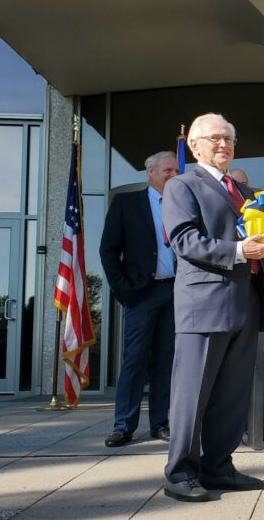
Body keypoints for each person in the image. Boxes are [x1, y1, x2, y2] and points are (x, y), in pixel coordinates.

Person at [161, 113, 264, 503]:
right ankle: (180, 472)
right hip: (205, 302)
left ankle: (219, 466)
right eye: (214, 138)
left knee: (232, 393)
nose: (223, 144)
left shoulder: (243, 191)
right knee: (193, 393)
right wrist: (240, 251)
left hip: (246, 301)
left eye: (228, 138)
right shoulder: (181, 185)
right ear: (194, 145)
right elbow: (184, 240)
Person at [99, 151, 179, 448]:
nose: (172, 176)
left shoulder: (184, 206)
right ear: (150, 172)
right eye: (167, 171)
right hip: (142, 294)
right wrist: (123, 289)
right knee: (134, 361)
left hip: (175, 292)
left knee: (165, 362)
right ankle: (123, 425)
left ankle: (161, 423)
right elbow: (108, 250)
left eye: (175, 171)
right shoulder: (126, 203)